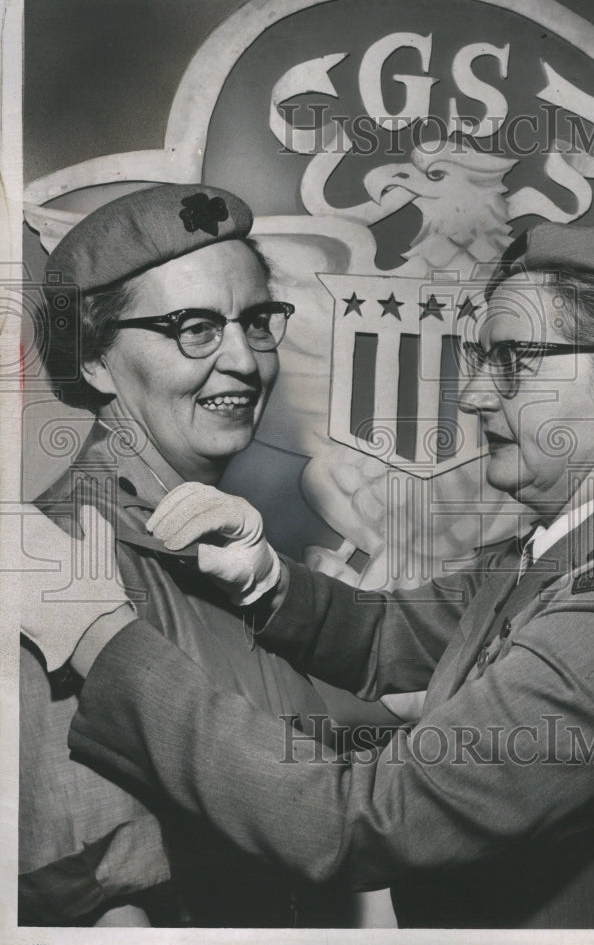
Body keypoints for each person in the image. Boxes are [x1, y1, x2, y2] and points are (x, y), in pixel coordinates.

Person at [21, 221, 594, 929]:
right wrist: (267, 580)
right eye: (480, 359)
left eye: (515, 363)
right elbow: (388, 636)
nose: (472, 396)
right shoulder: (564, 545)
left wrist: (99, 635)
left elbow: (361, 824)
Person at [19, 184, 350, 927]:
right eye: (192, 327)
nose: (242, 360)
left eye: (255, 321)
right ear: (98, 362)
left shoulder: (225, 546)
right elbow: (97, 900)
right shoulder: (64, 561)